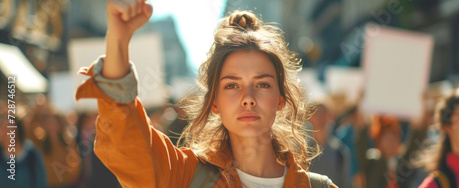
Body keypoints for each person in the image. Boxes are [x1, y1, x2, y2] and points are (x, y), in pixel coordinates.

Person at [75, 0, 337, 187]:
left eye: (263, 84)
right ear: (214, 103)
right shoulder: (184, 176)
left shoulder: (318, 187)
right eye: (232, 85)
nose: (248, 97)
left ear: (280, 101)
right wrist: (118, 40)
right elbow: (128, 142)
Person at [0, 116, 48, 188]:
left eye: (7, 127)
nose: (3, 132)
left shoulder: (32, 155)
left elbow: (41, 183)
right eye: (1, 128)